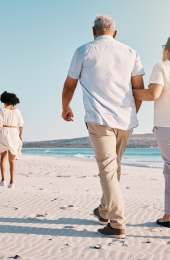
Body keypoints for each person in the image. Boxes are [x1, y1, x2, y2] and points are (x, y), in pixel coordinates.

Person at [62, 15, 145, 238]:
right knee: (113, 167)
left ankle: (117, 223)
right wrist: (131, 114)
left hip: (99, 119)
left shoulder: (83, 51)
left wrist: (65, 107)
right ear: (114, 33)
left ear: (94, 31)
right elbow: (139, 90)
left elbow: (70, 85)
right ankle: (105, 210)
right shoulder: (131, 52)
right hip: (126, 120)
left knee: (108, 169)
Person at [133, 37, 170, 228]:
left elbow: (152, 94)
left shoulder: (162, 66)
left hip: (167, 126)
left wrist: (130, 91)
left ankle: (169, 217)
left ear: (167, 49)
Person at [0, 91, 24, 189]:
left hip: (4, 132)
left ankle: (3, 180)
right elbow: (21, 125)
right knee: (12, 160)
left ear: (4, 100)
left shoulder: (2, 110)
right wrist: (20, 135)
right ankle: (12, 183)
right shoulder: (17, 111)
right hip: (14, 132)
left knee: (3, 158)